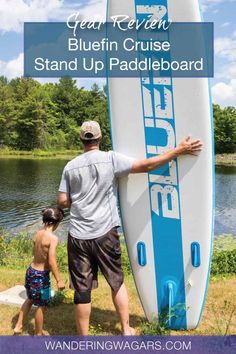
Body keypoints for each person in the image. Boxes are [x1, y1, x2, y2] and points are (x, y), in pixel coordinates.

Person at [58, 121, 202, 336]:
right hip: (105, 233)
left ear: (81, 140)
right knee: (116, 281)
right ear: (99, 139)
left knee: (82, 289)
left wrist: (79, 201)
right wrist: (178, 151)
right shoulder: (110, 159)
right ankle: (126, 329)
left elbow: (62, 201)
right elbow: (147, 166)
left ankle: (83, 338)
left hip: (78, 235)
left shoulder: (70, 166)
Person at [13, 206, 65, 335]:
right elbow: (52, 260)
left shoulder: (38, 233)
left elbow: (35, 248)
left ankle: (18, 326)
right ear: (57, 222)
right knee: (42, 305)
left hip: (31, 271)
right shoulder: (53, 238)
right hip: (41, 276)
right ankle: (38, 333)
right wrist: (59, 280)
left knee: (30, 299)